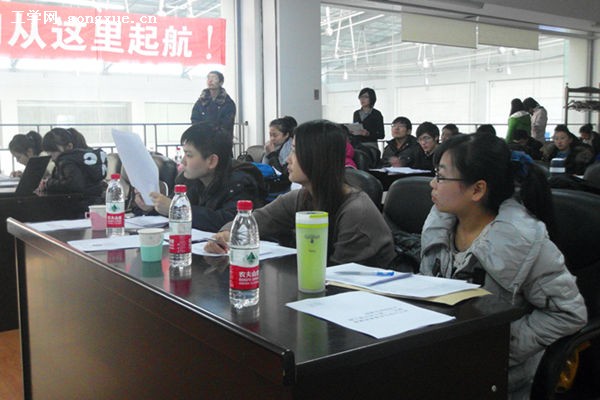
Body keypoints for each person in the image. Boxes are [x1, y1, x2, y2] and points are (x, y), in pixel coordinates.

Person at [420, 133, 587, 397]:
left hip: (494, 376)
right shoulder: (439, 226)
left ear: (477, 190)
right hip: (440, 358)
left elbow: (568, 313)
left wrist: (499, 346)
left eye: (441, 176)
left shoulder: (523, 242)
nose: (432, 183)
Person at [205, 119, 396, 267]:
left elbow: (340, 278)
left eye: (295, 151)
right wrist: (224, 235)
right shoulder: (302, 196)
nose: (288, 159)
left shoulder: (356, 211)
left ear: (317, 158)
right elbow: (256, 221)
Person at [134, 122, 266, 232]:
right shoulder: (187, 179)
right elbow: (170, 208)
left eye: (189, 155)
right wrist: (152, 207)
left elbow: (229, 222)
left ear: (211, 161)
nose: (183, 161)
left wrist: (176, 209)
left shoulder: (241, 182)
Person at [42, 127, 107, 214]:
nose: (51, 156)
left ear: (69, 146)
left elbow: (72, 184)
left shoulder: (66, 161)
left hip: (79, 206)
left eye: (53, 151)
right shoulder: (81, 160)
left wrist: (48, 183)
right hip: (94, 203)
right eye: (48, 152)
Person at [190, 71, 237, 139]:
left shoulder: (228, 103)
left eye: (214, 78)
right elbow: (195, 119)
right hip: (203, 140)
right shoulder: (200, 102)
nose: (210, 80)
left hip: (222, 140)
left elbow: (227, 124)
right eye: (208, 78)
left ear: (221, 82)